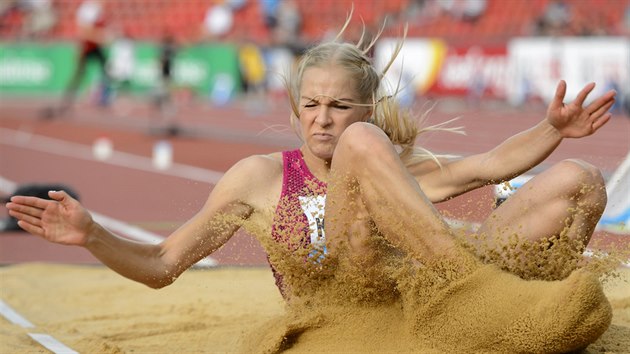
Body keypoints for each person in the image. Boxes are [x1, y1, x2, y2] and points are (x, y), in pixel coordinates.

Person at [6, 17, 618, 352]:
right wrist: (92, 235)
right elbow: (163, 262)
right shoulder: (259, 178)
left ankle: (522, 314)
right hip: (352, 320)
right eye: (312, 104)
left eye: (341, 106)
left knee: (580, 180)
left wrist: (551, 129)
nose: (323, 119)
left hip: (425, 301)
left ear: (369, 107)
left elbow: (491, 164)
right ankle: (477, 295)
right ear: (296, 108)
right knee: (364, 153)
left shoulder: (393, 165)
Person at [43, 0, 110, 118]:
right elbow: (85, 31)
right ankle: (67, 101)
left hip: (95, 46)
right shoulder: (89, 9)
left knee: (106, 69)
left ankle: (103, 98)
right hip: (88, 46)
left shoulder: (97, 9)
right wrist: (100, 37)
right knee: (79, 74)